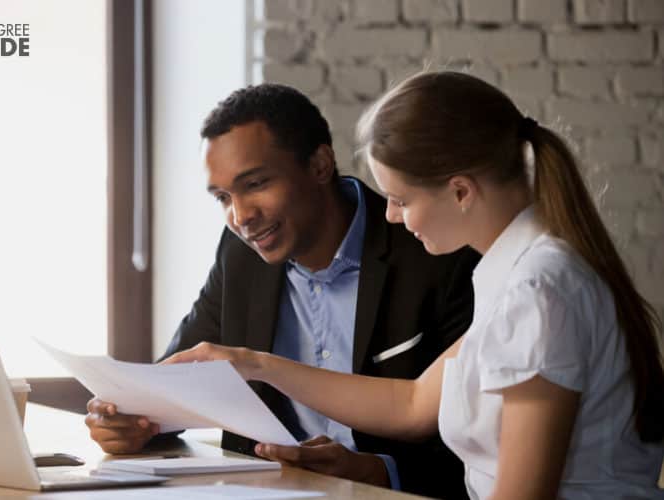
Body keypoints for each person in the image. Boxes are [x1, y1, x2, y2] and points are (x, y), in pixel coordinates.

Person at [165, 72, 664, 499]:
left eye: (400, 199)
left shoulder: (538, 289)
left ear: (461, 192)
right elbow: (412, 404)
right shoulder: (515, 274)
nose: (391, 216)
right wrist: (256, 364)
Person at [84, 83, 480, 497]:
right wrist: (131, 419)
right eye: (222, 197)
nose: (241, 217)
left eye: (255, 184)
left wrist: (380, 471)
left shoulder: (437, 253)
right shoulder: (239, 256)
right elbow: (178, 377)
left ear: (321, 164)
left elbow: (483, 438)